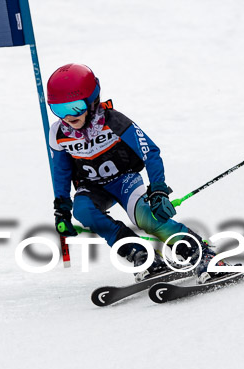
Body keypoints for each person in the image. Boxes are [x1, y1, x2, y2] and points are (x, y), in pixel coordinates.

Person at [46, 63, 224, 282]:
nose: (68, 117)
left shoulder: (114, 122)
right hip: (92, 187)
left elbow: (150, 151)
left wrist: (158, 190)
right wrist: (62, 208)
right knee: (83, 210)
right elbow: (61, 171)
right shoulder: (58, 134)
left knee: (146, 218)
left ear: (92, 101)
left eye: (74, 107)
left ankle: (200, 253)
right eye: (58, 110)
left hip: (124, 180)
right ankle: (140, 253)